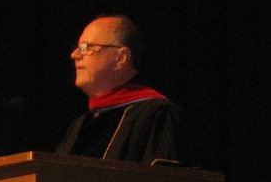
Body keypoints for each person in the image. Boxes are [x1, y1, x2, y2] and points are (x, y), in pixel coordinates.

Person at [55, 14, 181, 164]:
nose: (74, 55)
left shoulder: (156, 114)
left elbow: (160, 177)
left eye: (85, 48)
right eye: (77, 48)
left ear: (121, 58)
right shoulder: (80, 125)